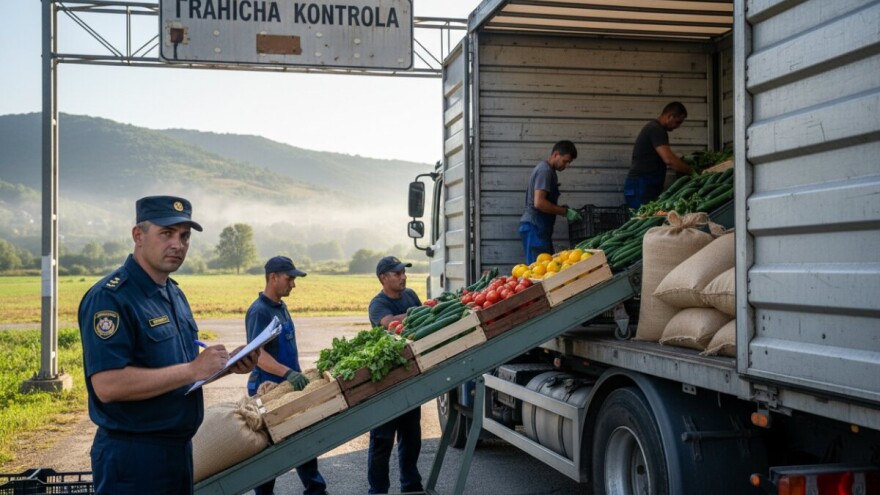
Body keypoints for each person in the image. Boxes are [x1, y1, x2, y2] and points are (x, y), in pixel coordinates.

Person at [78, 195, 260, 495]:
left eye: (185, 236)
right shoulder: (111, 298)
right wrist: (192, 369)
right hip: (134, 459)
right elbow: (107, 385)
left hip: (177, 453)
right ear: (138, 235)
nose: (178, 244)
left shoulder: (173, 294)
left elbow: (181, 374)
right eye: (166, 233)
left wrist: (226, 365)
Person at [245, 256, 327, 495]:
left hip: (289, 386)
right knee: (269, 452)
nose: (293, 284)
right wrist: (288, 373)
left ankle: (316, 490)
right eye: (289, 278)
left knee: (303, 441)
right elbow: (257, 355)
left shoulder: (281, 307)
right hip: (268, 389)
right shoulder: (259, 311)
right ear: (273, 277)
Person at [366, 256, 423, 494]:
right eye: (397, 273)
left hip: (409, 376)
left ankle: (411, 486)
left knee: (411, 438)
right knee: (382, 441)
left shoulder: (410, 295)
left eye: (403, 272)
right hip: (385, 381)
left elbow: (425, 316)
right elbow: (389, 323)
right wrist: (416, 313)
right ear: (383, 278)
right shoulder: (377, 304)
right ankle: (378, 490)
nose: (403, 277)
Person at [518, 140, 583, 264]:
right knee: (537, 271)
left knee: (546, 268)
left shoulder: (550, 172)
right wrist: (564, 212)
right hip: (535, 228)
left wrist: (561, 208)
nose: (567, 165)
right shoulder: (545, 171)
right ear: (556, 154)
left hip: (539, 228)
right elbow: (539, 203)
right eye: (565, 161)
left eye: (569, 162)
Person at [624, 101, 694, 209]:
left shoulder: (655, 129)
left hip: (643, 186)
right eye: (678, 122)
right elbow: (669, 159)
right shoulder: (656, 129)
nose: (678, 126)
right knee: (642, 221)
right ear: (670, 116)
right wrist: (692, 171)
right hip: (641, 186)